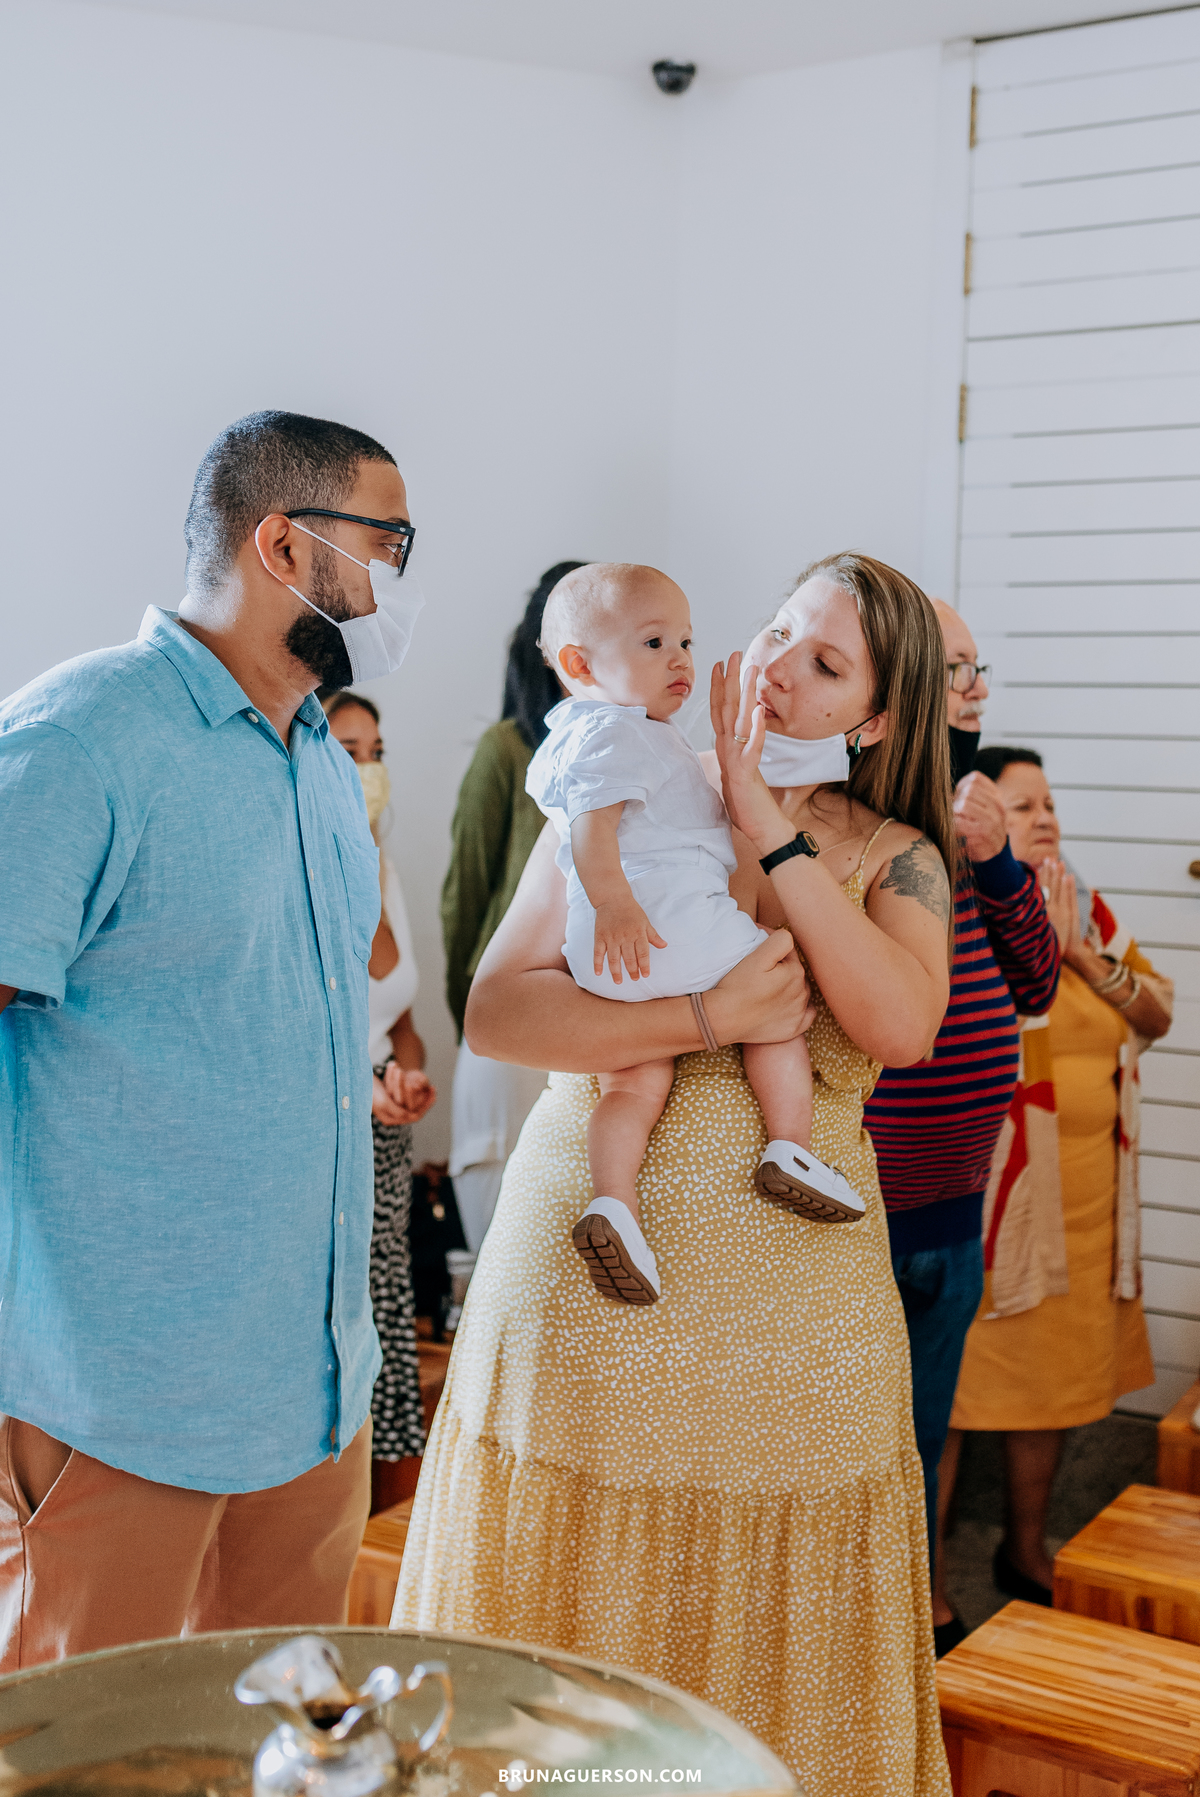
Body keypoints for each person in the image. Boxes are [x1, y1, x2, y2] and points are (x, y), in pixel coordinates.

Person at [395, 552, 958, 1797]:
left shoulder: (902, 857)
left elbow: (898, 1025)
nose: (773, 666)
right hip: (588, 1281)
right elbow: (495, 1012)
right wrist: (701, 1015)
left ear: (872, 720)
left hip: (790, 1321)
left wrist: (766, 821)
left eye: (824, 663)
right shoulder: (627, 777)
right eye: (775, 633)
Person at [0, 410, 420, 1667]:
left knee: (272, 1747)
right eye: (387, 542)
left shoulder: (318, 760)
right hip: (125, 1396)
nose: (399, 577)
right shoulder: (81, 738)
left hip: (313, 1388)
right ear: (283, 544)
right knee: (84, 1759)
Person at [530, 564, 862, 1305]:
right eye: (654, 641)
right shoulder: (615, 733)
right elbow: (592, 829)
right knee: (776, 994)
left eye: (684, 638)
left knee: (633, 1080)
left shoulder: (595, 732)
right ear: (580, 665)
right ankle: (791, 1148)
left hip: (612, 958)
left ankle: (614, 1200)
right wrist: (616, 901)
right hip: (658, 928)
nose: (680, 657)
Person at [862, 601, 1060, 1655]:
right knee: (847, 1450)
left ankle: (910, 1619)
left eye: (983, 669)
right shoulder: (861, 827)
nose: (977, 687)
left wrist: (998, 865)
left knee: (920, 1436)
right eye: (955, 669)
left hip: (953, 1212)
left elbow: (1037, 983)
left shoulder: (976, 829)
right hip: (856, 1213)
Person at [941, 746, 1173, 1610]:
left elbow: (1156, 1009)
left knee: (1052, 1384)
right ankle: (926, 1578)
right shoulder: (967, 903)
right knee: (963, 1387)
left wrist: (1080, 954)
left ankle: (1026, 1549)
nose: (1045, 818)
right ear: (983, 820)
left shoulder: (1086, 902)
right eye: (1024, 803)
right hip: (998, 1195)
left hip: (1086, 1196)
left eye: (1049, 802)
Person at [442, 560, 584, 1252]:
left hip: (597, 1027)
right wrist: (475, 1016)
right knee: (506, 1243)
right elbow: (462, 898)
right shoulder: (505, 753)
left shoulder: (653, 760)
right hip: (512, 1023)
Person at [326, 691, 437, 1513]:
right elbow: (293, 1020)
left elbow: (399, 1015)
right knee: (343, 1312)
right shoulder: (304, 861)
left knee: (390, 1309)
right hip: (327, 1129)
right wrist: (362, 1090)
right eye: (347, 747)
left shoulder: (382, 867)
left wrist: (406, 1071)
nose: (368, 767)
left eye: (375, 749)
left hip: (385, 1137)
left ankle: (384, 1525)